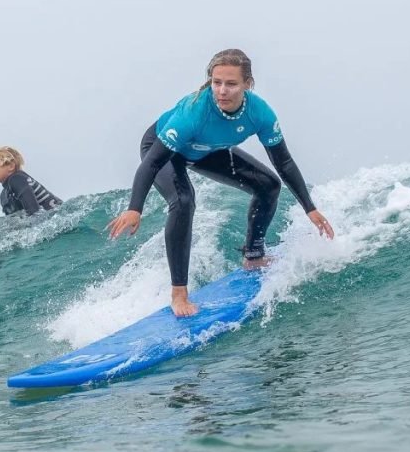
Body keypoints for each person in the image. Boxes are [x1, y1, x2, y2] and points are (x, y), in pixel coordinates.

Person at [108, 49, 335, 317]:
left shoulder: (260, 113)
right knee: (182, 202)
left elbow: (283, 162)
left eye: (231, 84)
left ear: (247, 85)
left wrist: (309, 207)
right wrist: (136, 207)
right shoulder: (193, 113)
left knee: (269, 185)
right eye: (217, 82)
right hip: (165, 151)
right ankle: (179, 294)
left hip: (207, 150)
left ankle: (254, 256)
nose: (222, 91)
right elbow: (153, 162)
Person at [0, 146, 62, 216]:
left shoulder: (17, 179)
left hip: (60, 214)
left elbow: (34, 213)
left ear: (11, 166)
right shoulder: (4, 196)